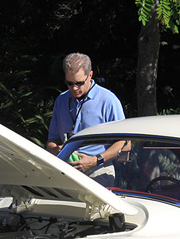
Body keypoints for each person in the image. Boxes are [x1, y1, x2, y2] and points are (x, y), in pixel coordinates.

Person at [45, 52, 126, 186]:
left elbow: (124, 143)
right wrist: (56, 150)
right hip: (66, 170)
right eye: (69, 83)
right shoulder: (61, 100)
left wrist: (95, 160)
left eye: (79, 83)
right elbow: (51, 141)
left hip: (98, 170)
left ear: (90, 75)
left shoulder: (108, 100)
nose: (74, 88)